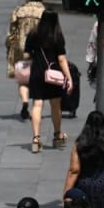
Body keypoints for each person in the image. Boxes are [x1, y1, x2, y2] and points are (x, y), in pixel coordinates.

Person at [26, 11, 72, 154]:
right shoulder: (57, 36)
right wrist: (69, 77)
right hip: (54, 75)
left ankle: (36, 138)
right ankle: (57, 135)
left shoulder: (33, 33)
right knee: (55, 104)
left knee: (37, 104)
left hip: (37, 72)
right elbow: (62, 59)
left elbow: (26, 54)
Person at [7, 0, 45, 118]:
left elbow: (11, 33)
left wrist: (10, 48)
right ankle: (36, 107)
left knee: (23, 80)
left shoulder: (19, 11)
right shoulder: (45, 13)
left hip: (21, 48)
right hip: (40, 50)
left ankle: (24, 102)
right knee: (38, 79)